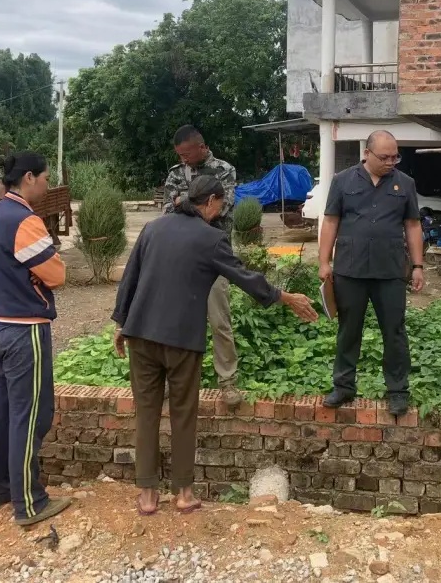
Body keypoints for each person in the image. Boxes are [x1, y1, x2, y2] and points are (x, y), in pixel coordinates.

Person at [113, 174, 318, 516]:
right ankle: (183, 494)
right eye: (221, 203)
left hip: (141, 336)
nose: (221, 210)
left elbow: (130, 278)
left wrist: (120, 323)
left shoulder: (152, 229)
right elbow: (245, 277)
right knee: (183, 414)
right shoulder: (211, 239)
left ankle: (148, 497)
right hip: (180, 341)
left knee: (146, 414)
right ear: (210, 201)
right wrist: (285, 297)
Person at [0, 152, 70, 527]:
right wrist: (47, 266)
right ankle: (29, 503)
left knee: (2, 411)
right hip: (24, 330)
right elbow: (57, 274)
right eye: (46, 178)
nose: (48, 185)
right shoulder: (24, 220)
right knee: (30, 415)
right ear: (29, 177)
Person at [319, 131, 424, 418]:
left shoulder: (405, 183)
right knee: (348, 330)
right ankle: (343, 386)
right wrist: (324, 261)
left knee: (394, 331)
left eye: (395, 157)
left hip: (390, 271)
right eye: (384, 157)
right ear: (367, 153)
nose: (391, 162)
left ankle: (398, 391)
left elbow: (413, 225)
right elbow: (331, 221)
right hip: (350, 270)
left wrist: (417, 266)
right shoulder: (342, 181)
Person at [161, 125, 243, 408]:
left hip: (214, 258)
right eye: (179, 155)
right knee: (177, 321)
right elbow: (167, 211)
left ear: (201, 146)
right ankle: (174, 379)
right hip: (182, 258)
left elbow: (222, 209)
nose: (182, 159)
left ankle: (227, 381)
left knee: (220, 322)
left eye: (186, 153)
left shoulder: (224, 170)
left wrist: (182, 202)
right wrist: (194, 204)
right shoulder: (175, 173)